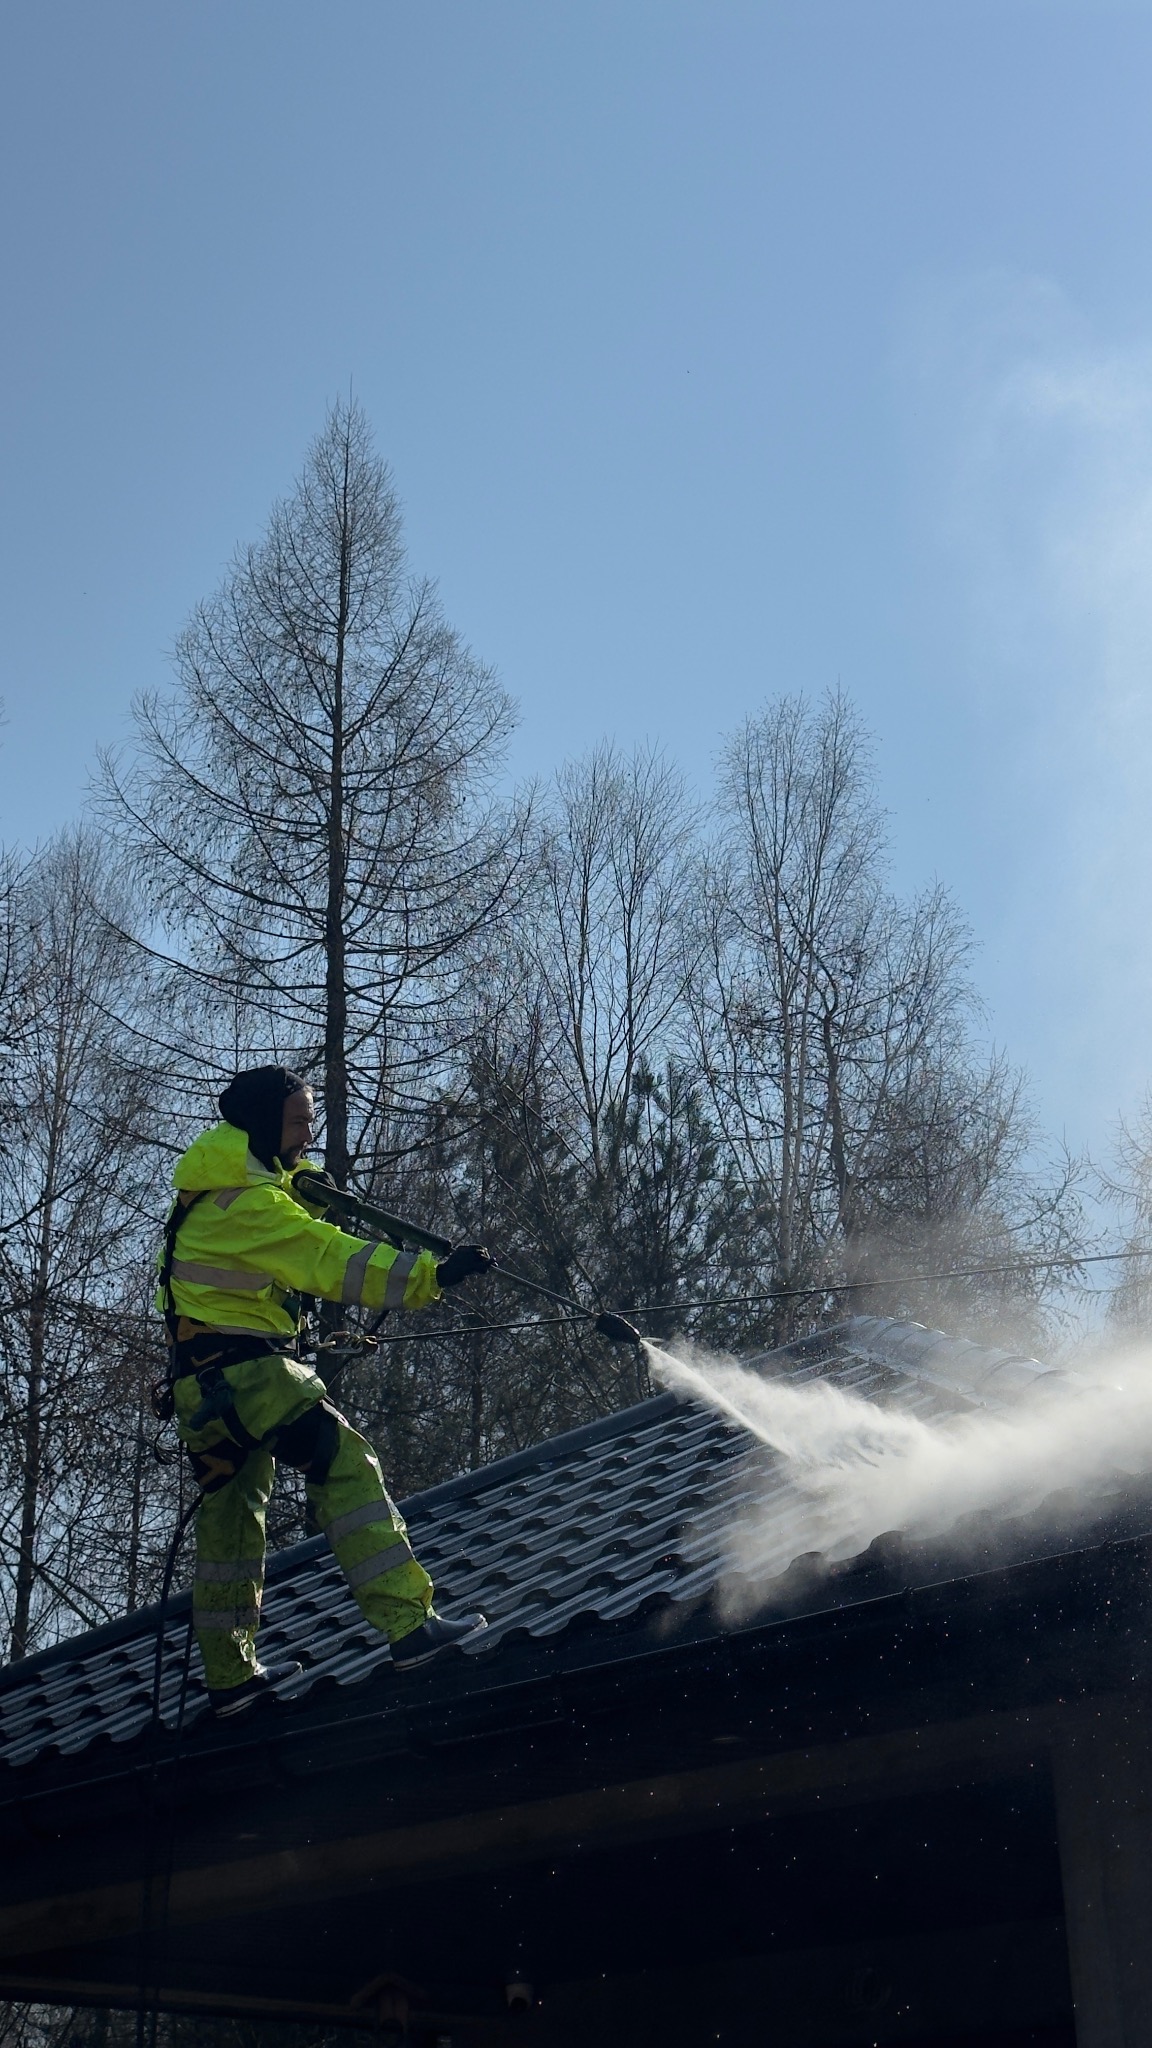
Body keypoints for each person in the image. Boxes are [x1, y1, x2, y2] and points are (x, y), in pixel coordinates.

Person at [158, 1064, 490, 1717]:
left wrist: (301, 1188)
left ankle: (229, 1680)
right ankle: (409, 1627)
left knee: (230, 1524)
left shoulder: (212, 1193)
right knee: (345, 1463)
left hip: (203, 1389)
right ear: (262, 1125)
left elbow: (260, 1259)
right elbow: (330, 1259)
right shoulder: (248, 1205)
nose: (308, 1134)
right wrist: (432, 1275)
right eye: (298, 1123)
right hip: (250, 1377)